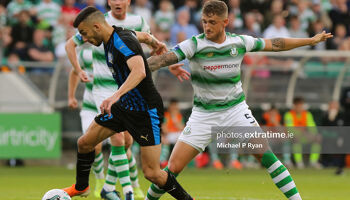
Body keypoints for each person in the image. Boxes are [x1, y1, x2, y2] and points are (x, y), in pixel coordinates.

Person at [145, 1, 332, 200]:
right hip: (203, 115)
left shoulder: (239, 42)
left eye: (212, 22)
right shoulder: (195, 44)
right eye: (204, 21)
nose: (207, 27)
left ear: (225, 22)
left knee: (267, 157)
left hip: (235, 111)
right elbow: (162, 60)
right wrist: (134, 67)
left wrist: (309, 41)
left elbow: (275, 44)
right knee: (171, 169)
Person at [63, 6, 194, 200]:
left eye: (84, 33)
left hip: (145, 110)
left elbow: (139, 71)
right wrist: (155, 43)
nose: (84, 38)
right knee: (84, 143)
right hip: (124, 106)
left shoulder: (121, 42)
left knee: (152, 173)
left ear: (97, 26)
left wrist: (114, 96)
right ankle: (82, 187)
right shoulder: (116, 35)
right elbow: (142, 36)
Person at [64, 0, 155, 198]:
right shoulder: (96, 22)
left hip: (126, 88)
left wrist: (157, 47)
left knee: (127, 143)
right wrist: (79, 71)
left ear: (128, 1)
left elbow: (144, 44)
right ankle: (124, 190)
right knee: (114, 139)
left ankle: (109, 186)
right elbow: (70, 44)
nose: (116, 2)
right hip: (103, 91)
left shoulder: (136, 21)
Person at [284, 97, 322, 169]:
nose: (299, 107)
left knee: (318, 138)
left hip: (305, 136)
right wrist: (300, 132)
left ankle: (313, 162)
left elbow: (312, 128)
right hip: (293, 137)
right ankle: (299, 163)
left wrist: (311, 134)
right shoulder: (289, 115)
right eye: (297, 105)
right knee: (296, 138)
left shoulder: (307, 114)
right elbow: (289, 129)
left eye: (301, 105)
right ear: (294, 106)